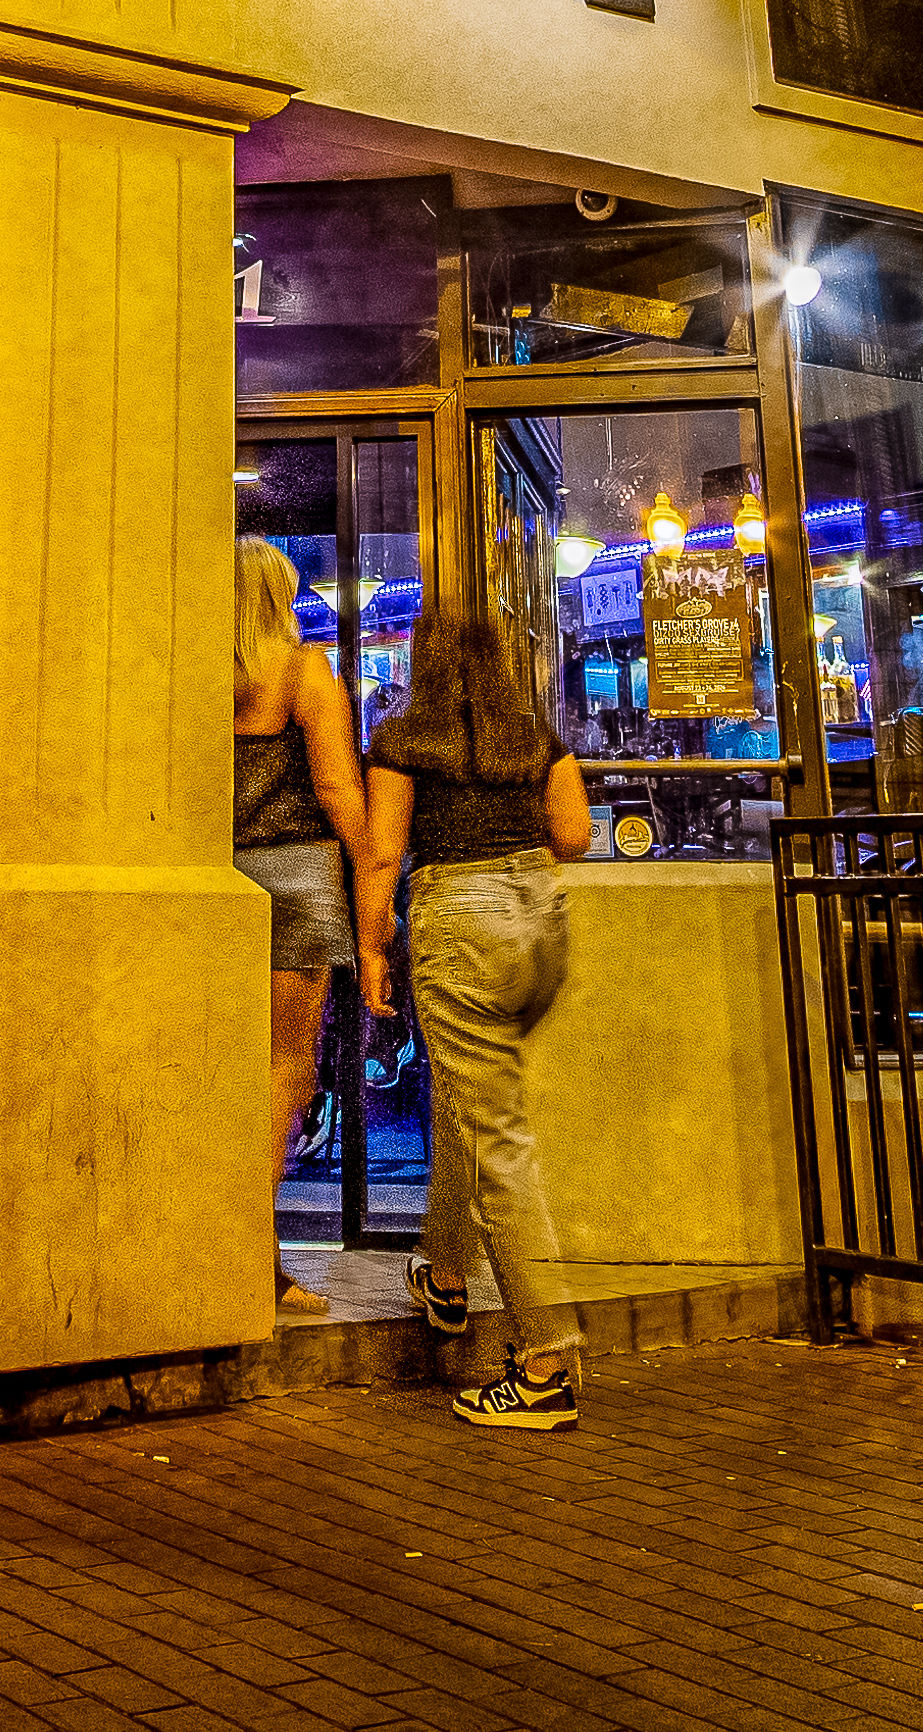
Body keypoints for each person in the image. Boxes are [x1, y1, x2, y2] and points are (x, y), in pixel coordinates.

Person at [358, 552, 593, 1430]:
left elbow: (383, 852)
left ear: (420, 660)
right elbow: (572, 834)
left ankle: (544, 1361)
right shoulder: (535, 737)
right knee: (471, 1096)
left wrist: (374, 943)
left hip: (460, 921)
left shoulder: (402, 738)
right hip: (540, 926)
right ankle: (445, 1271)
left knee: (498, 1137)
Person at [231, 538, 374, 1320]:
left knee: (220, 1069)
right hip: (297, 881)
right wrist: (374, 881)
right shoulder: (301, 670)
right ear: (280, 595)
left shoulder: (199, 677)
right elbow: (335, 786)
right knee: (286, 1066)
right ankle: (255, 1250)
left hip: (217, 882)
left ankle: (244, 1246)